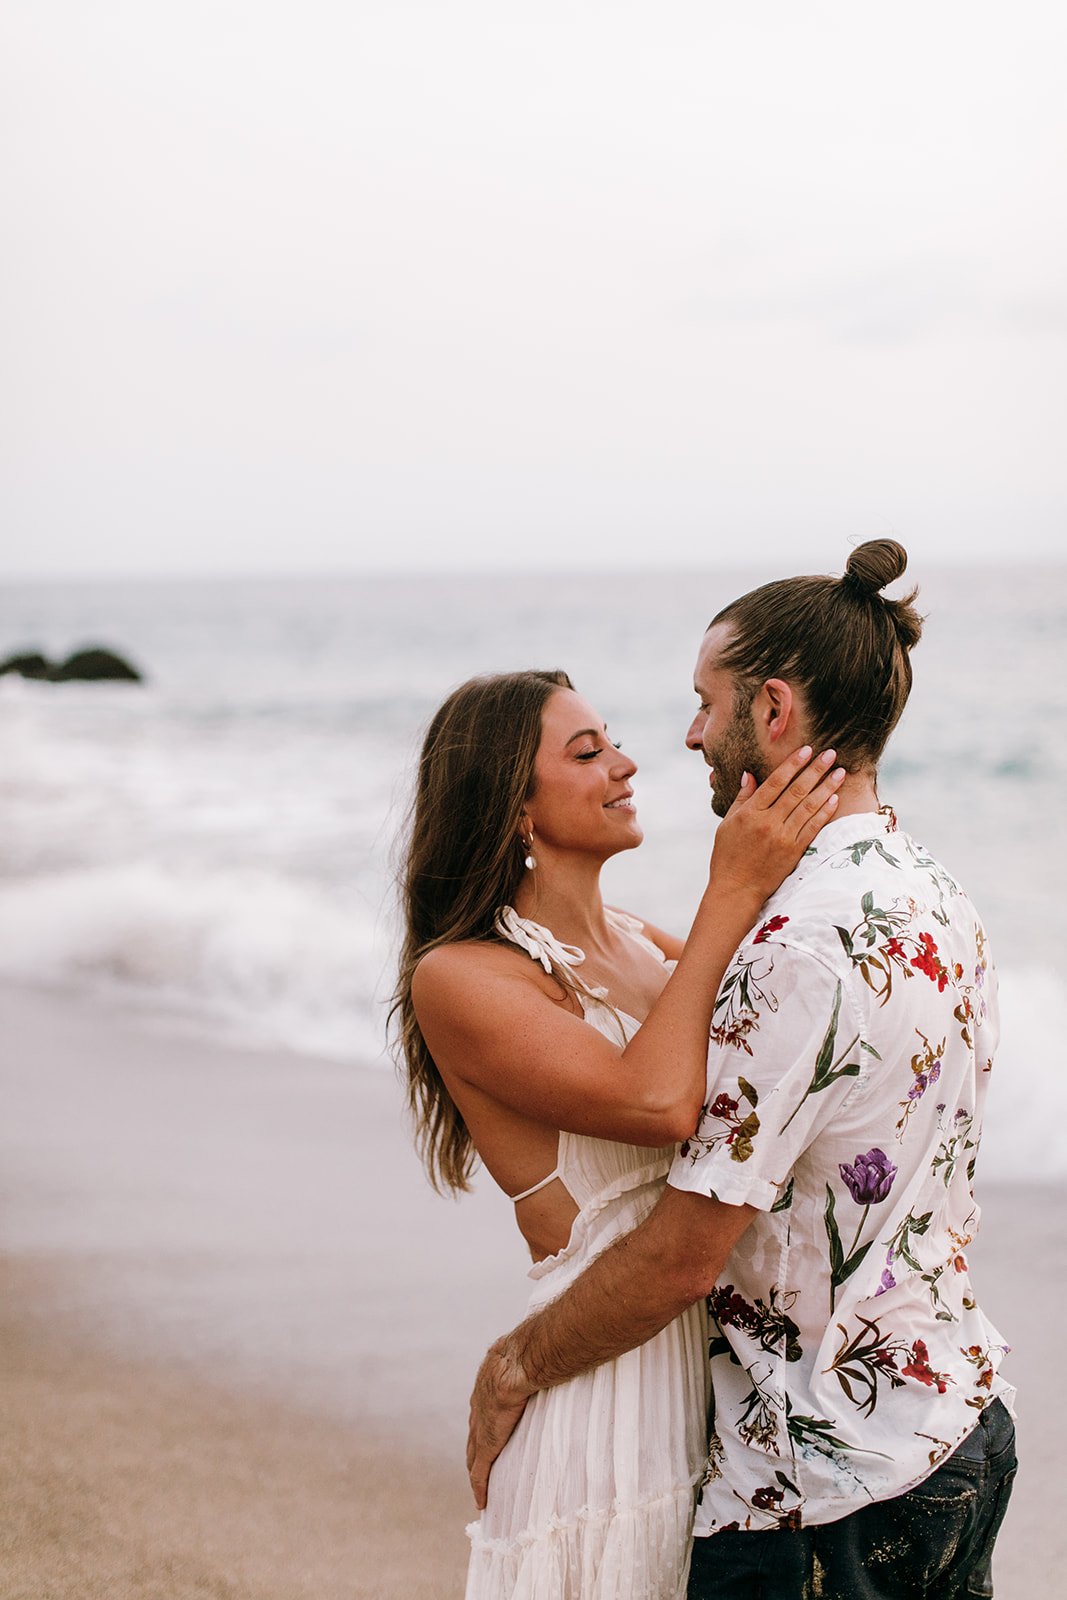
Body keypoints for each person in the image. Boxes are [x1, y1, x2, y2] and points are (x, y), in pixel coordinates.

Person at [468, 540, 1017, 1600]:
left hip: (827, 1488)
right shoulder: (934, 892)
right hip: (956, 1424)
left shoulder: (794, 949)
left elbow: (684, 1251)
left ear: (770, 712)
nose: (684, 736)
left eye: (701, 702)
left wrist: (516, 1365)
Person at [393, 668, 846, 1599]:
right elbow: (658, 1105)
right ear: (511, 806)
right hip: (602, 1405)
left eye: (615, 741)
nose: (627, 764)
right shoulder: (462, 977)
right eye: (588, 752)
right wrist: (731, 887)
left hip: (713, 1385)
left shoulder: (645, 943)